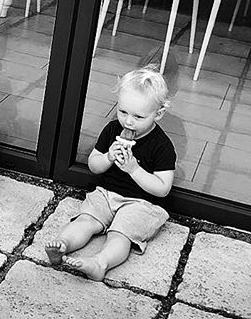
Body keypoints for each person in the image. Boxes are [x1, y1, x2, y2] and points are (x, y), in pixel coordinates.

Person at [44, 65, 176, 281]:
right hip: (106, 193)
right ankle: (62, 245)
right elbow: (94, 165)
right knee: (86, 220)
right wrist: (108, 157)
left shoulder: (162, 146)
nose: (128, 121)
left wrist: (134, 169)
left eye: (138, 116)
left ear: (158, 114)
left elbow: (162, 189)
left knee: (120, 234)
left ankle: (100, 263)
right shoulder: (113, 130)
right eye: (123, 112)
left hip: (142, 204)